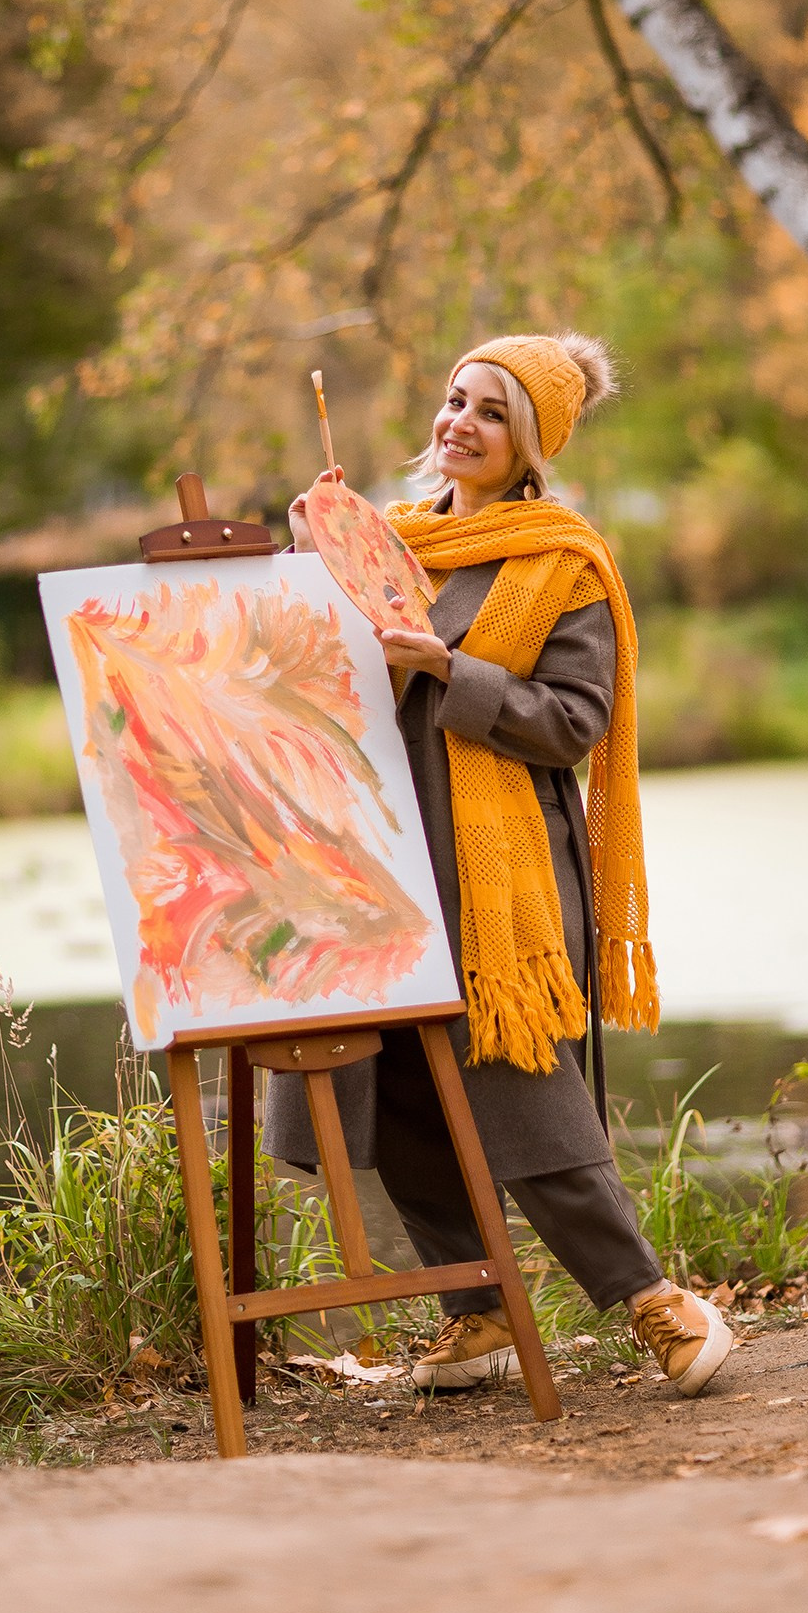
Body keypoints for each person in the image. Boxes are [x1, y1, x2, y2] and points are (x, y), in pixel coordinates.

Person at [265, 333, 732, 1398]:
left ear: (527, 442)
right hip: (376, 864)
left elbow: (572, 724)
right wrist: (318, 552)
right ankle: (474, 1315)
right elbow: (311, 675)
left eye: (486, 411)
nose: (455, 423)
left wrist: (445, 667)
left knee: (524, 1096)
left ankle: (653, 1305)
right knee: (391, 1090)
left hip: (499, 877)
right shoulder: (391, 543)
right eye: (451, 400)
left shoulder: (560, 562)